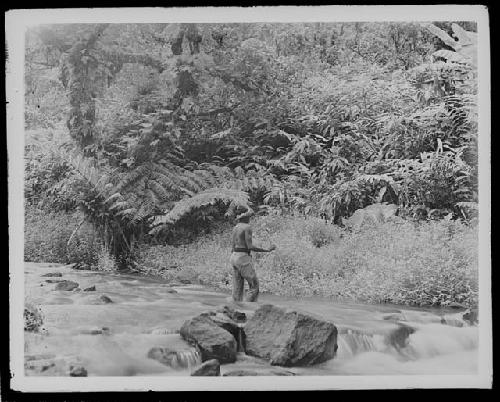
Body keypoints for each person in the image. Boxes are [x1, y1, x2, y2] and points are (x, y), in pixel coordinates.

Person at [230, 208, 276, 302]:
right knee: (254, 285)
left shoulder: (236, 227)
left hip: (234, 256)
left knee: (237, 288)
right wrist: (267, 250)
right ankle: (250, 308)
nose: (250, 218)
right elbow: (249, 246)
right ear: (246, 217)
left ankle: (236, 308)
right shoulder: (247, 227)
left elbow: (232, 246)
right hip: (242, 258)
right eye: (249, 216)